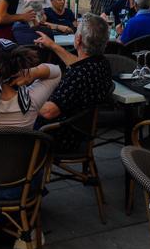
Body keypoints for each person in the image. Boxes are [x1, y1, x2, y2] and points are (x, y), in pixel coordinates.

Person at [35, 14, 115, 152]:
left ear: (78, 40)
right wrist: (53, 45)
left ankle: (29, 170)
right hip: (84, 133)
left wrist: (25, 98)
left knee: (16, 122)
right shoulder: (102, 63)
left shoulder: (78, 75)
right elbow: (79, 63)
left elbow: (48, 112)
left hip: (61, 136)